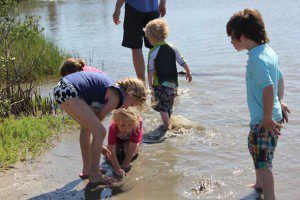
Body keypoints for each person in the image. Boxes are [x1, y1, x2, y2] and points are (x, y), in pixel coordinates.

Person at [226, 9, 290, 200]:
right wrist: (281, 100)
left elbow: (268, 88)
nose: (231, 42)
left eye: (232, 38)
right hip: (271, 115)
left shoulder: (256, 60)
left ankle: (269, 196)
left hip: (264, 120)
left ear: (244, 37)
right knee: (256, 149)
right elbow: (280, 77)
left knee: (263, 162)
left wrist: (267, 117)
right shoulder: (268, 51)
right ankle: (259, 185)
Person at [53, 72, 147, 186]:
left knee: (86, 128)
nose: (128, 108)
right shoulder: (116, 97)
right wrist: (98, 144)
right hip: (70, 90)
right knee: (101, 131)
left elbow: (92, 124)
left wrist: (97, 145)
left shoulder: (110, 88)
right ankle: (95, 175)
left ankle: (87, 169)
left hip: (62, 89)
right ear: (130, 94)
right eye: (132, 104)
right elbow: (99, 120)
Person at [144, 18, 192, 130]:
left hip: (160, 83)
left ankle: (167, 126)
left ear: (152, 37)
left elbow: (150, 70)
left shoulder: (153, 52)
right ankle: (168, 122)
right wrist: (188, 72)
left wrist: (150, 85)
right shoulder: (172, 47)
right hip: (173, 83)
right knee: (168, 104)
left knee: (161, 106)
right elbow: (181, 61)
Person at [112, 0, 166, 81]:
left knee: (139, 48)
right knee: (155, 47)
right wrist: (162, 3)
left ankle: (143, 85)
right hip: (146, 10)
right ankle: (159, 83)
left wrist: (117, 9)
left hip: (135, 10)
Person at [106, 107, 142, 178]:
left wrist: (126, 164)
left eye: (130, 125)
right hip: (118, 139)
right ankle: (121, 146)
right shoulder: (113, 127)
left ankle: (125, 148)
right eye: (122, 125)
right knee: (110, 154)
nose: (126, 129)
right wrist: (117, 168)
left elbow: (133, 144)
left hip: (132, 140)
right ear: (116, 121)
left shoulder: (137, 123)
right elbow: (111, 149)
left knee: (128, 151)